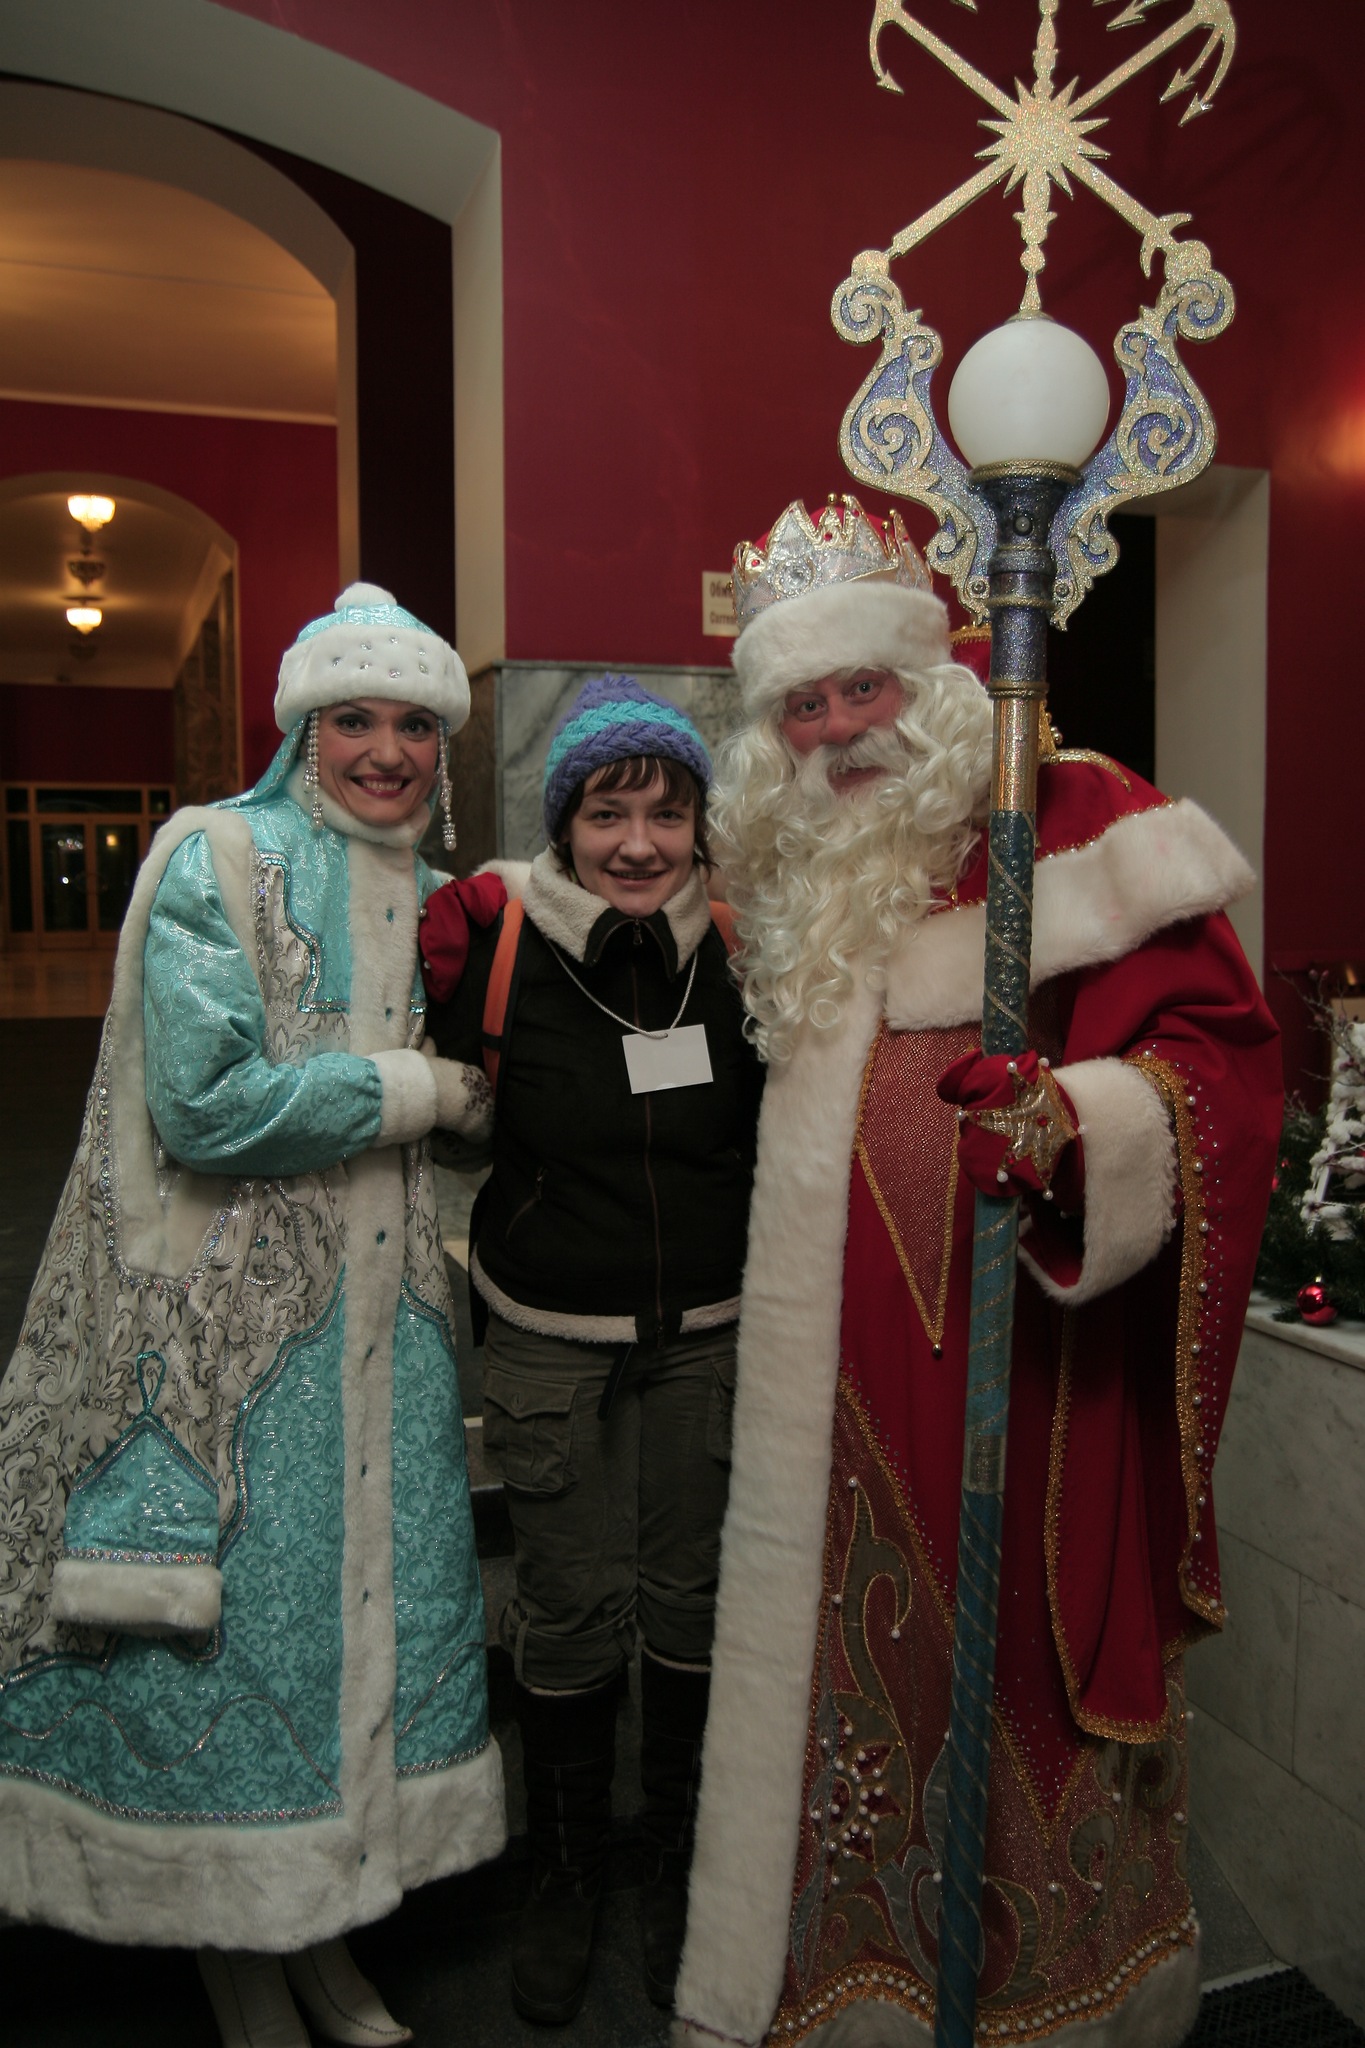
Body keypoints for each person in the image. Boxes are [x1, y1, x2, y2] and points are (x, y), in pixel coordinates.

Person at [672, 498, 1283, 2047]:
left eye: (860, 687)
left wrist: (1078, 1125)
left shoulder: (1068, 815)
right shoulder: (800, 867)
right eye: (800, 705)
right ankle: (861, 1983)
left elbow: (1221, 1063)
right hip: (832, 1397)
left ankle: (1058, 1997)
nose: (835, 730)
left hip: (1024, 1383)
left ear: (930, 679)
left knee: (1008, 1667)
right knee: (858, 1687)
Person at [0, 585, 505, 2048]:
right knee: (250, 1638)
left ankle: (323, 1920)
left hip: (392, 1328)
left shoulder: (444, 896)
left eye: (414, 726)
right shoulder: (218, 853)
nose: (386, 751)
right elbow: (205, 1105)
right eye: (354, 721)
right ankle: (240, 1938)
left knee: (365, 1628)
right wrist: (423, 1093)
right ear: (299, 731)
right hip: (235, 1335)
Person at [422, 673, 764, 2023]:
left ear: (698, 827)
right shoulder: (502, 950)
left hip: (709, 1341)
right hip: (550, 1336)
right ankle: (565, 1867)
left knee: (690, 1602)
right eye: (607, 814)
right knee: (564, 1608)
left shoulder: (739, 950)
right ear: (562, 822)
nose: (637, 844)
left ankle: (675, 1857)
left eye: (666, 815)